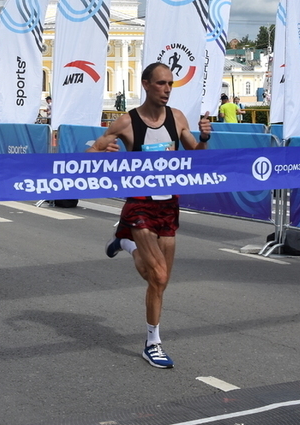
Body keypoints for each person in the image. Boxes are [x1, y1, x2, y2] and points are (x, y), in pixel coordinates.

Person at [88, 62, 213, 369]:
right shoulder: (127, 122)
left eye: (170, 83)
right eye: (161, 84)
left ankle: (124, 242)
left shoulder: (178, 118)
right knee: (157, 275)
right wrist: (101, 154)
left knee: (159, 280)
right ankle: (152, 342)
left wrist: (206, 139)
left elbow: (196, 155)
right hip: (140, 204)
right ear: (145, 84)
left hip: (168, 205)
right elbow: (91, 154)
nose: (167, 89)